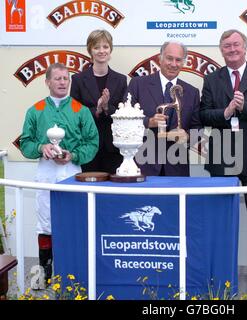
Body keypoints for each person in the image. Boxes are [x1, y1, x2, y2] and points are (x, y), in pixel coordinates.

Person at [199, 29, 247, 286]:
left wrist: (244, 107)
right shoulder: (211, 79)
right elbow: (204, 115)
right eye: (226, 46)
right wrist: (227, 111)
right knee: (219, 211)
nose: (231, 50)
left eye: (236, 45)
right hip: (222, 150)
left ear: (245, 47)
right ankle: (219, 263)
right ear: (221, 50)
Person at [20, 63, 99, 287]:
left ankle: (74, 274)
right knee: (45, 224)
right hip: (45, 173)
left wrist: (73, 155)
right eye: (57, 78)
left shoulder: (80, 110)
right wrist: (40, 148)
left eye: (66, 78)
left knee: (74, 222)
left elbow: (92, 144)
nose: (63, 82)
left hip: (73, 173)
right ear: (47, 82)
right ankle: (44, 275)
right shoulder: (35, 110)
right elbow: (25, 142)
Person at [127, 41, 202, 176]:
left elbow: (198, 129)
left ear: (183, 62)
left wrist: (188, 136)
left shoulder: (192, 92)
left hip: (177, 169)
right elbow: (125, 119)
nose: (173, 64)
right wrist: (148, 122)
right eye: (169, 58)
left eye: (178, 60)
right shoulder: (138, 84)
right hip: (143, 166)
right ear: (160, 58)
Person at [70, 29, 127, 174]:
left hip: (113, 147)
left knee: (113, 192)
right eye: (97, 47)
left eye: (105, 47)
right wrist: (97, 110)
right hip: (87, 146)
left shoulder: (121, 80)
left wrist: (107, 107)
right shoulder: (78, 79)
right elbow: (74, 114)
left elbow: (124, 113)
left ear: (110, 49)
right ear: (90, 50)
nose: (101, 51)